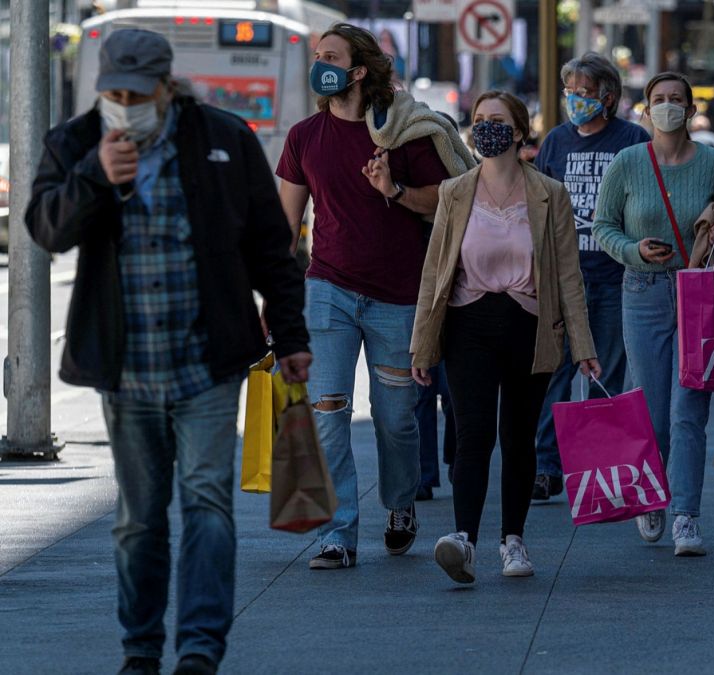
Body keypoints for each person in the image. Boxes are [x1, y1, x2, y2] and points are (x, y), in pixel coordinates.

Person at [25, 29, 309, 675]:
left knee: (207, 499)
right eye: (113, 92)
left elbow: (271, 245)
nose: (124, 102)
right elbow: (46, 230)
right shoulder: (74, 143)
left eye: (137, 91)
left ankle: (201, 648)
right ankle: (141, 646)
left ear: (165, 84)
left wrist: (291, 335)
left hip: (206, 361)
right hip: (125, 367)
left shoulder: (222, 137)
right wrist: (93, 177)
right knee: (139, 517)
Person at [276, 23, 451, 570]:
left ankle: (399, 505)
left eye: (330, 56)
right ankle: (338, 533)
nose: (319, 64)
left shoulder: (402, 133)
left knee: (397, 418)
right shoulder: (304, 136)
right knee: (327, 409)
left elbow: (444, 201)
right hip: (327, 289)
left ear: (357, 70)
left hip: (398, 295)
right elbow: (286, 226)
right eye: (316, 55)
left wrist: (393, 190)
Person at [411, 91, 600, 584]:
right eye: (478, 121)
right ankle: (463, 540)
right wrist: (422, 347)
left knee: (518, 437)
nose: (485, 128)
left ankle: (512, 540)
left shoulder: (549, 194)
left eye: (497, 121)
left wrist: (583, 348)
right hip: (467, 324)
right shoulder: (455, 192)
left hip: (529, 324)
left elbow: (568, 276)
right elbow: (435, 271)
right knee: (473, 434)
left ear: (518, 132)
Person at [592, 71, 714, 556]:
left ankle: (687, 516)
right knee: (650, 410)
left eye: (678, 99)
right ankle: (650, 496)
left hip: (697, 293)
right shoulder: (629, 163)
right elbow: (603, 226)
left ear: (692, 111)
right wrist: (634, 251)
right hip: (643, 292)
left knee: (688, 409)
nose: (669, 105)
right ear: (646, 110)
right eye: (660, 99)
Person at [530, 52, 649, 501]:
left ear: (608, 97)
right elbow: (538, 205)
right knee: (554, 372)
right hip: (564, 280)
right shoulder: (557, 141)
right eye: (571, 92)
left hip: (616, 276)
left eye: (584, 93)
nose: (575, 100)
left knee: (606, 374)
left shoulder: (632, 140)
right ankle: (547, 466)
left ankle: (599, 468)